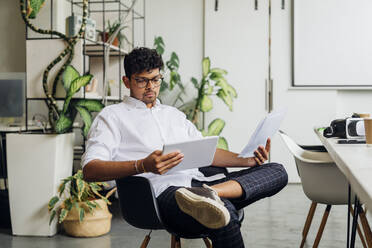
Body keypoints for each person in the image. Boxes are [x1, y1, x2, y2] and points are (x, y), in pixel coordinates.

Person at [82, 47, 288, 248]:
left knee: (277, 171)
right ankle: (206, 198)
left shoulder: (174, 115)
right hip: (159, 195)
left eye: (155, 80)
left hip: (198, 184)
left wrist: (246, 160)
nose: (150, 87)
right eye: (142, 80)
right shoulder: (112, 117)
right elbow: (90, 169)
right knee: (224, 213)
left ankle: (209, 193)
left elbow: (206, 154)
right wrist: (142, 165)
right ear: (127, 81)